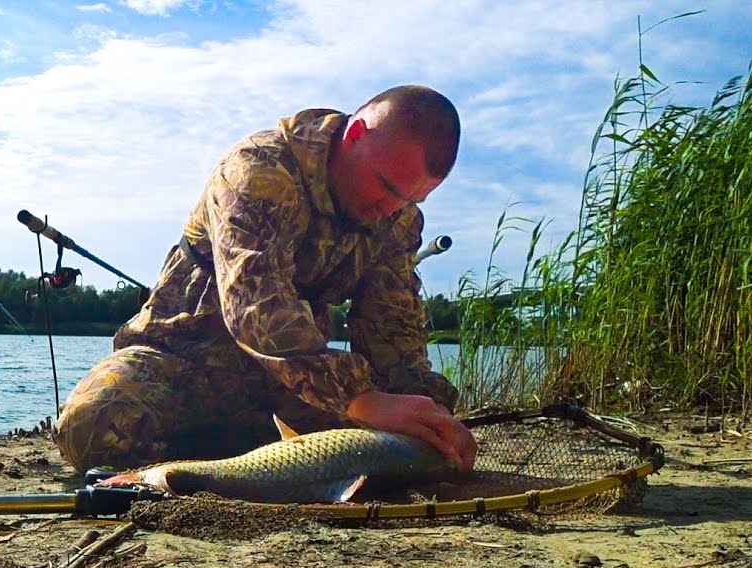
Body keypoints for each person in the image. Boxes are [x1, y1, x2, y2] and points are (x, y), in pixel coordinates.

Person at [54, 85, 477, 476]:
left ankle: (244, 451)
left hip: (291, 388)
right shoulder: (259, 168)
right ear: (355, 136)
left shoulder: (397, 218)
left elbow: (394, 330)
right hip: (181, 357)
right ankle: (214, 452)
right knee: (91, 424)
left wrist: (430, 414)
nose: (391, 209)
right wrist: (361, 401)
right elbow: (256, 306)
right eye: (386, 187)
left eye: (410, 199)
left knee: (412, 451)